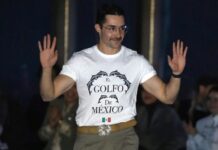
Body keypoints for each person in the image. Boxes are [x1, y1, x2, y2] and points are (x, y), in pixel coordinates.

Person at [38, 3, 188, 150]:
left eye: (122, 28)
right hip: (89, 139)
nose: (118, 34)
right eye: (112, 28)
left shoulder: (136, 61)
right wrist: (46, 69)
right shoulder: (80, 61)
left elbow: (168, 97)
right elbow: (48, 95)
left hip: (124, 137)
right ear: (98, 28)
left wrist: (176, 74)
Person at [38, 85, 78, 150]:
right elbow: (42, 136)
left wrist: (59, 121)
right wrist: (51, 125)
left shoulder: (83, 109)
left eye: (75, 87)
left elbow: (77, 138)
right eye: (68, 86)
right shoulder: (55, 104)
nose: (70, 91)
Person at [186, 86, 218, 150]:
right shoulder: (201, 122)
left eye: (216, 100)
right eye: (209, 99)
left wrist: (195, 135)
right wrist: (191, 135)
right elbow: (191, 146)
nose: (212, 103)